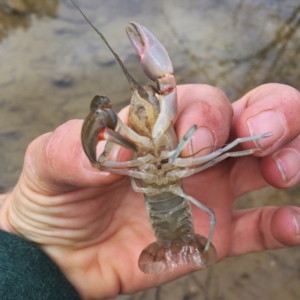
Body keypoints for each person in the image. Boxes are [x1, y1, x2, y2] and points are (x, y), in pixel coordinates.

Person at [0, 83, 300, 300]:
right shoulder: (129, 139)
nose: (142, 102)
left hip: (163, 202)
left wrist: (236, 140)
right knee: (204, 142)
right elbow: (188, 137)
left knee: (214, 139)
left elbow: (205, 140)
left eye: (148, 98)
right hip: (163, 207)